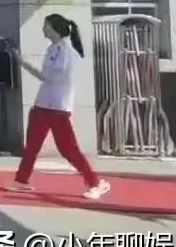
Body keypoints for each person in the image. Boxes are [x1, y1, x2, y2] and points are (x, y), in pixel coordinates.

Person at [9, 13, 110, 200]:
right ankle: (21, 179)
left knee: (68, 148)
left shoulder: (64, 50)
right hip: (44, 104)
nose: (43, 29)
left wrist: (23, 62)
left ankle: (95, 183)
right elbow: (46, 76)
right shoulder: (53, 49)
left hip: (58, 107)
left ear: (55, 28)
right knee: (33, 145)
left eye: (46, 25)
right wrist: (23, 62)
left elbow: (49, 76)